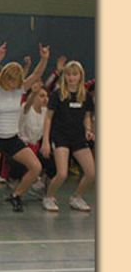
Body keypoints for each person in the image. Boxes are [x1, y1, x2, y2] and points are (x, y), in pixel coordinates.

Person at [0, 42, 48, 213]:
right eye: (10, 78)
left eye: (16, 79)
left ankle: (17, 195)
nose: (12, 82)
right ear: (4, 77)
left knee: (36, 167)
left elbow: (36, 74)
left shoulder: (19, 91)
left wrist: (44, 58)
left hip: (12, 138)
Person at [41, 61, 95, 212]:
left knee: (91, 173)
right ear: (65, 76)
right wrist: (46, 141)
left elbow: (87, 116)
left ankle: (76, 197)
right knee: (62, 173)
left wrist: (88, 130)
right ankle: (49, 197)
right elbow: (48, 118)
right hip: (61, 137)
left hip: (78, 137)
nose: (72, 78)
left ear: (80, 76)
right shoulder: (57, 95)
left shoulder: (85, 96)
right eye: (69, 74)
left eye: (75, 74)